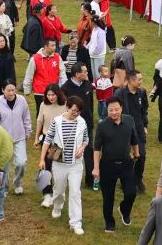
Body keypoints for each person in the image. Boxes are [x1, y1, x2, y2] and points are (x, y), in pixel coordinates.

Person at [39, 95, 89, 235]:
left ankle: (76, 223)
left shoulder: (82, 122)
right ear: (67, 107)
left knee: (75, 192)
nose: (76, 114)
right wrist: (42, 159)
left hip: (76, 165)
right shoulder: (57, 121)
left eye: (78, 111)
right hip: (59, 163)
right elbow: (47, 140)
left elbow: (86, 139)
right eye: (73, 111)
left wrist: (82, 148)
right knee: (59, 189)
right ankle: (57, 206)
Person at [93, 96, 140, 233]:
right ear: (107, 110)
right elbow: (97, 148)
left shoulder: (129, 120)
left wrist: (136, 153)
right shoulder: (102, 125)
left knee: (131, 192)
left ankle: (124, 209)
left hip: (126, 164)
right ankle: (109, 222)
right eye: (111, 110)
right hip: (107, 166)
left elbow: (134, 139)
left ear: (121, 108)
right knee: (108, 197)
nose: (114, 112)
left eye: (116, 109)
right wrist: (96, 168)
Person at [0, 81, 32, 195]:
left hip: (19, 137)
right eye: (8, 90)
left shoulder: (22, 100)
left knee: (21, 163)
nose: (11, 93)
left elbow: (26, 116)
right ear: (3, 90)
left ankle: (17, 184)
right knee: (5, 165)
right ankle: (4, 187)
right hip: (4, 140)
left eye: (13, 90)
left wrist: (28, 130)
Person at [113, 69, 150, 193]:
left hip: (138, 129)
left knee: (141, 155)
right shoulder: (119, 93)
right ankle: (125, 180)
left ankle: (138, 179)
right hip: (124, 129)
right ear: (130, 80)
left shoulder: (142, 92)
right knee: (125, 157)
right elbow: (114, 111)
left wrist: (145, 126)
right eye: (139, 79)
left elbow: (144, 110)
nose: (141, 81)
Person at [62, 62, 97, 187]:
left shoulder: (87, 84)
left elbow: (91, 104)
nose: (87, 73)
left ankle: (90, 179)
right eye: (85, 71)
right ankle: (68, 178)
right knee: (71, 151)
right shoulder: (65, 88)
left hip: (87, 124)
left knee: (89, 150)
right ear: (77, 74)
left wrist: (91, 119)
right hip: (72, 126)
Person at [33, 83, 66, 208]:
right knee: (45, 166)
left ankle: (58, 193)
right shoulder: (43, 105)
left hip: (60, 141)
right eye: (48, 95)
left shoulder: (65, 105)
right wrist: (36, 137)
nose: (51, 97)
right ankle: (47, 195)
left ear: (58, 94)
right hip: (47, 139)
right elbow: (39, 121)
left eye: (53, 95)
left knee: (58, 168)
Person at [23, 38, 65, 112]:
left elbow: (62, 73)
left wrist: (64, 86)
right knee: (41, 112)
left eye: (55, 45)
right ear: (46, 46)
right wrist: (27, 90)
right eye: (52, 45)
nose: (54, 48)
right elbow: (29, 75)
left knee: (54, 112)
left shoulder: (57, 57)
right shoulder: (35, 58)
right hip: (40, 92)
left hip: (54, 91)